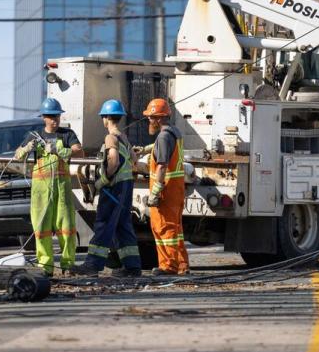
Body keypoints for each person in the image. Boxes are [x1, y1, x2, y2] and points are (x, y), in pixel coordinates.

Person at [14, 98, 84, 277]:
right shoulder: (35, 136)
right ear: (44, 117)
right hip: (41, 192)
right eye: (51, 116)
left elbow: (79, 151)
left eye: (57, 116)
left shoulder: (67, 135)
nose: (55, 119)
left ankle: (68, 265)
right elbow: (18, 156)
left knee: (67, 228)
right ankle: (45, 267)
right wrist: (27, 148)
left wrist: (59, 151)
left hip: (62, 191)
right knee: (42, 229)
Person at [75, 100, 142, 277]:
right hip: (126, 187)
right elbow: (134, 159)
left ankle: (92, 265)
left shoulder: (111, 137)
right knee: (122, 226)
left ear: (105, 118)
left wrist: (101, 181)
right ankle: (132, 267)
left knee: (103, 225)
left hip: (114, 188)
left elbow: (114, 161)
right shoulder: (124, 138)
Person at [138, 98, 189, 275]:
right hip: (176, 189)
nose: (149, 121)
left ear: (159, 118)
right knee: (176, 229)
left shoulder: (163, 137)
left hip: (166, 190)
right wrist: (146, 149)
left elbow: (161, 166)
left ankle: (168, 266)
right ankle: (181, 265)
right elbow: (164, 146)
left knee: (163, 228)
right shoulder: (174, 132)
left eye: (151, 118)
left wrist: (155, 192)